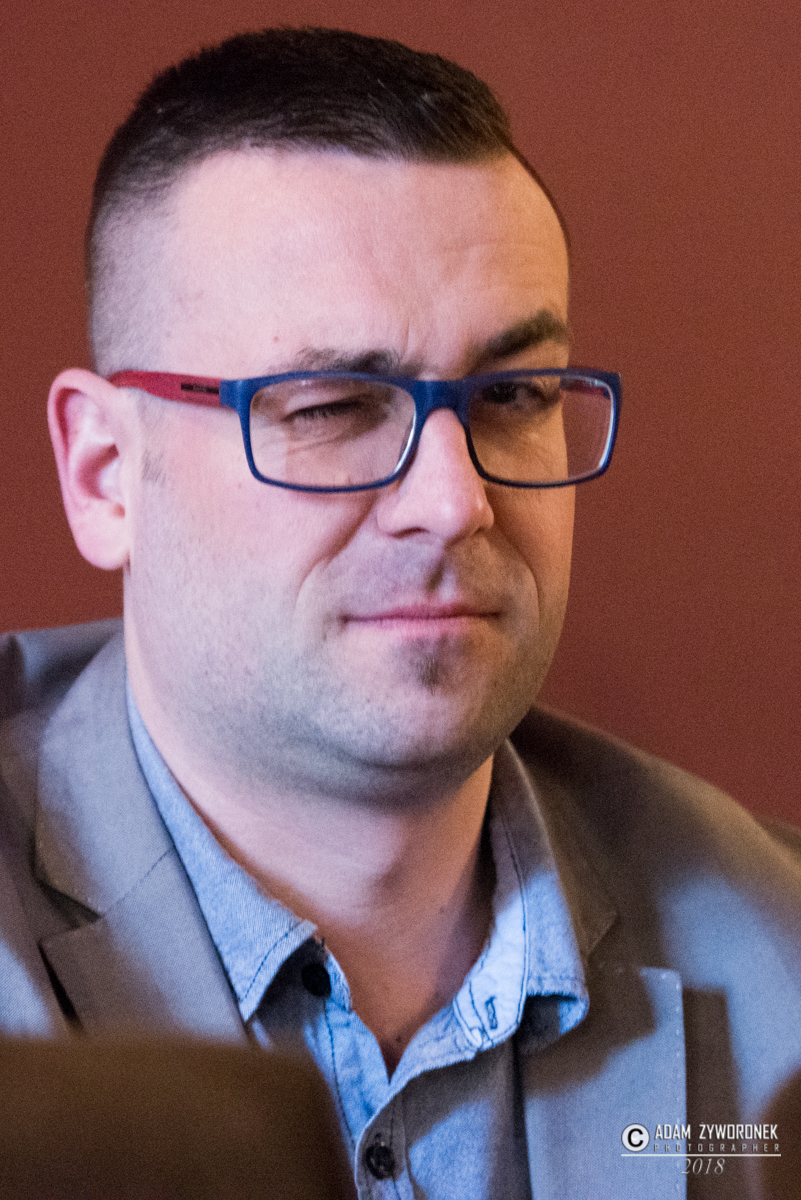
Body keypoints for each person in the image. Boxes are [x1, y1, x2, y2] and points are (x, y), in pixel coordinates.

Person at [1, 27, 799, 1199]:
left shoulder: (782, 958)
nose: (454, 502)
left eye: (513, 394)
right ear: (105, 474)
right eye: (331, 406)